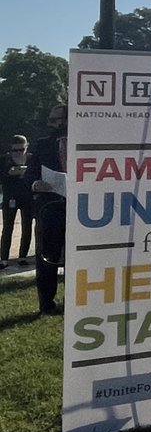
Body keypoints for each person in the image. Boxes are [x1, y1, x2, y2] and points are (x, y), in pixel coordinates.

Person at [24, 104, 68, 314]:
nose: (50, 124)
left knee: (77, 258)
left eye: (55, 120)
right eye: (50, 119)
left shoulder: (86, 144)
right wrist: (36, 184)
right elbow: (29, 174)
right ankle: (46, 304)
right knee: (46, 257)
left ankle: (75, 302)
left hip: (81, 211)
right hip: (49, 209)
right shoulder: (43, 144)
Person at [1, 134, 33, 269]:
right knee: (8, 227)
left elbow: (35, 174)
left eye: (21, 150)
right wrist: (9, 173)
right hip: (11, 195)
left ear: (26, 147)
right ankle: (4, 259)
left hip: (27, 196)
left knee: (27, 226)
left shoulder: (31, 159)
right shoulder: (4, 159)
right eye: (15, 150)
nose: (18, 153)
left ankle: (23, 256)